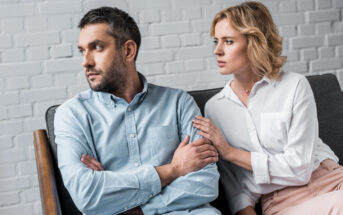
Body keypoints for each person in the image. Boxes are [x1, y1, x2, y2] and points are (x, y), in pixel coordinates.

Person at [54, 7, 221, 215]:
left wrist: (129, 206)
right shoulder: (72, 115)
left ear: (128, 51)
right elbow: (87, 194)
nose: (85, 61)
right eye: (82, 50)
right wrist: (174, 169)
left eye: (97, 48)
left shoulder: (179, 103)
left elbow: (205, 182)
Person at [192, 1, 343, 215]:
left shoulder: (295, 85)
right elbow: (237, 188)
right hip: (283, 202)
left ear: (254, 42)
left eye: (228, 41)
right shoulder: (215, 109)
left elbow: (300, 168)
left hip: (331, 179)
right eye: (216, 41)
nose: (217, 51)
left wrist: (231, 153)